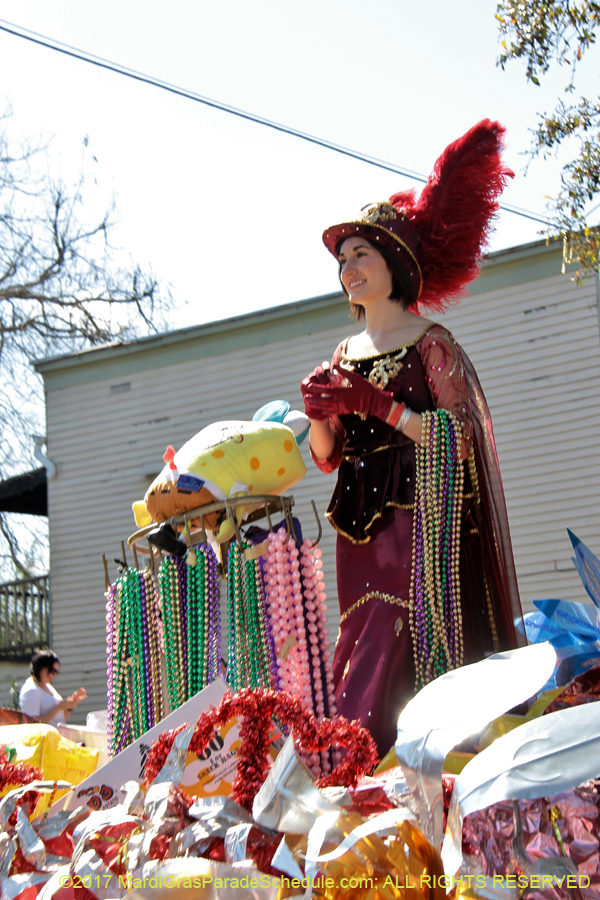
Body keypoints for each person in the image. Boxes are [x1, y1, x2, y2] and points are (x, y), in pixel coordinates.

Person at [301, 120, 525, 757]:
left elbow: (460, 438)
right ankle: (357, 754)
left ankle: (377, 753)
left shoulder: (432, 343)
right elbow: (327, 456)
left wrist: (378, 404)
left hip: (420, 519)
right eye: (343, 260)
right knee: (362, 629)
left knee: (405, 627)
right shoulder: (343, 351)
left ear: (394, 264)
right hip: (357, 526)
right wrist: (317, 412)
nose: (348, 268)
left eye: (360, 255)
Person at [19, 649, 87, 726]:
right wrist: (59, 707)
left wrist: (70, 707)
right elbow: (32, 724)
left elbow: (60, 719)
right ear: (40, 667)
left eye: (56, 672)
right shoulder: (30, 690)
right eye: (52, 671)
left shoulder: (46, 685)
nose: (54, 675)